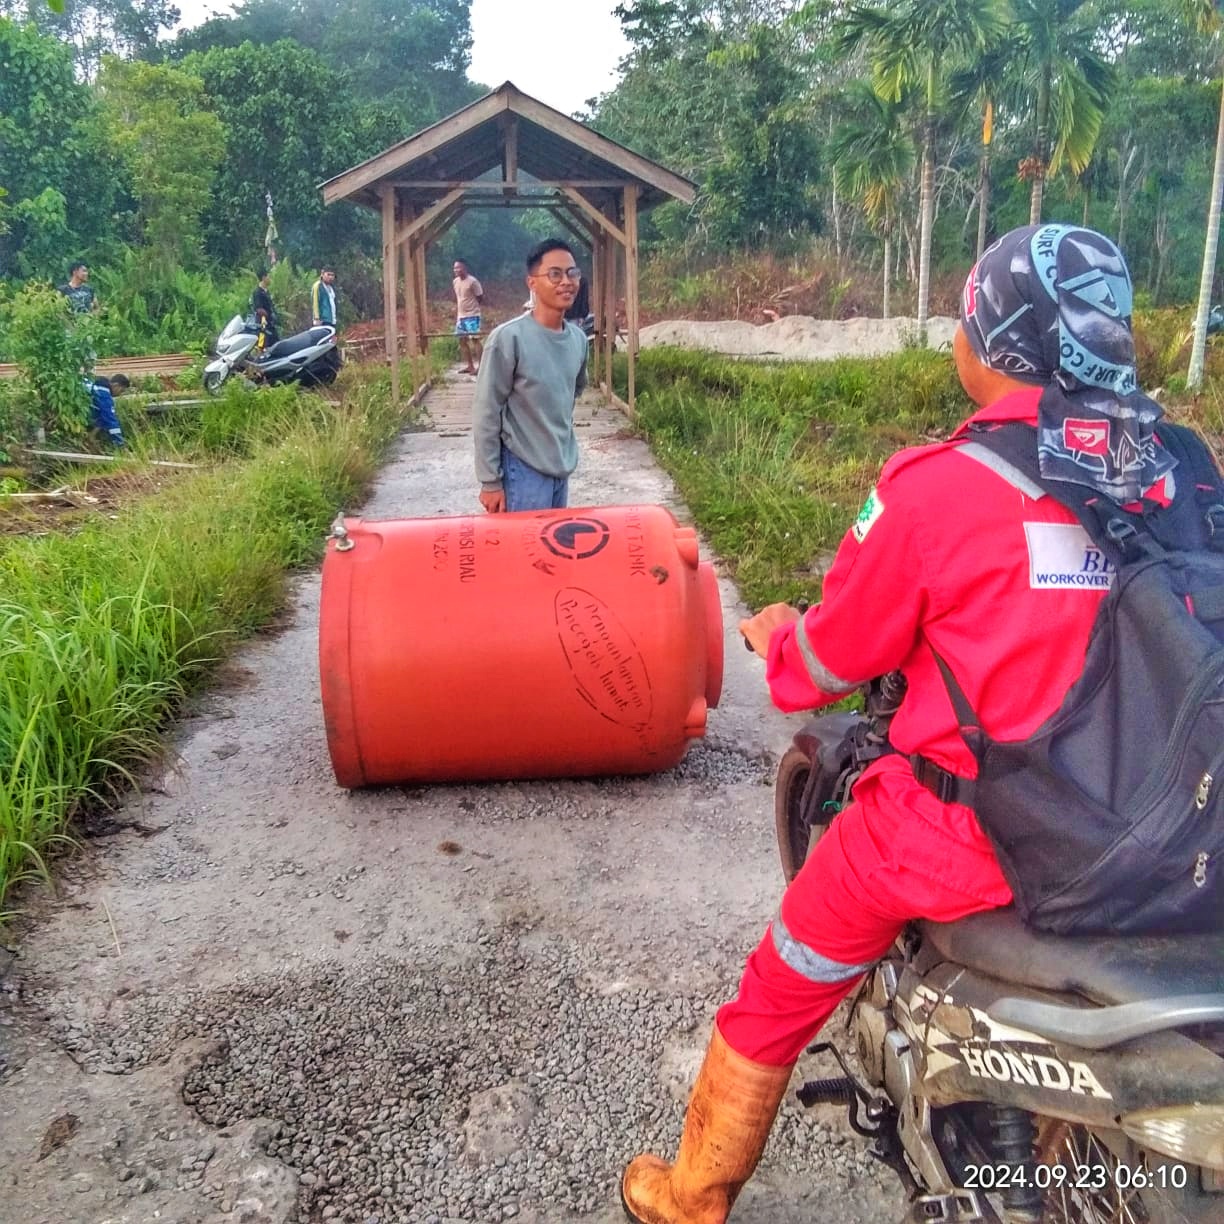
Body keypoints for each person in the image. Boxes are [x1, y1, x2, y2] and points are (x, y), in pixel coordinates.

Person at [621, 224, 1194, 1223]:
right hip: (1175, 822)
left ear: (991, 339)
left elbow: (823, 671)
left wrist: (782, 638)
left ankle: (690, 1193)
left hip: (967, 839)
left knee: (780, 984)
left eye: (965, 320)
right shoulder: (1181, 471)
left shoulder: (937, 487)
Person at [473, 239, 588, 514]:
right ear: (532, 283)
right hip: (522, 470)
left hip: (561, 467)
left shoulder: (579, 340)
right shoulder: (508, 339)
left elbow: (572, 392)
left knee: (554, 552)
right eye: (555, 274)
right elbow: (486, 411)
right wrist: (490, 481)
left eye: (572, 273)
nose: (566, 282)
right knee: (524, 556)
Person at [452, 259, 484, 375]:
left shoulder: (473, 282)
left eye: (458, 268)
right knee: (462, 341)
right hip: (461, 316)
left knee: (475, 340)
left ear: (465, 268)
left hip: (472, 315)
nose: (456, 270)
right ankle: (470, 366)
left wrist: (473, 309)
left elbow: (480, 297)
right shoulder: (455, 282)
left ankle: (481, 367)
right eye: (455, 268)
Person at [86, 374, 129, 448]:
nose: (120, 394)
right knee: (108, 416)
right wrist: (120, 443)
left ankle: (91, 436)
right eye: (121, 390)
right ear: (116, 385)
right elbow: (111, 420)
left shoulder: (97, 384)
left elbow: (103, 416)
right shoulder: (104, 394)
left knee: (102, 415)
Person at [251, 269, 278, 351]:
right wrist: (266, 316)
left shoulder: (266, 291)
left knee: (276, 343)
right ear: (263, 278)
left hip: (270, 324)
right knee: (261, 344)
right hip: (263, 324)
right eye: (268, 276)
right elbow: (259, 309)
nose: (270, 279)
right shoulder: (257, 292)